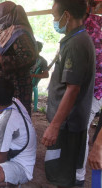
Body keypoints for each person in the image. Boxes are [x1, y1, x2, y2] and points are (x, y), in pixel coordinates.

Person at [42, 0, 95, 187]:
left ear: (67, 15)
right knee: (60, 171)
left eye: (55, 17)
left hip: (68, 124)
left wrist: (54, 126)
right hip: (66, 122)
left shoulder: (76, 44)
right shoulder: (75, 39)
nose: (54, 21)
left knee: (66, 174)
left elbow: (73, 90)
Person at [0, 1, 37, 117]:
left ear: (8, 16)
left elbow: (28, 57)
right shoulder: (10, 31)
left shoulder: (20, 33)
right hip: (6, 85)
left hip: (15, 88)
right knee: (1, 120)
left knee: (12, 119)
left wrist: (1, 61)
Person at [76, 4, 102, 185]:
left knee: (81, 130)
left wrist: (99, 144)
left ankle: (78, 175)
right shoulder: (92, 24)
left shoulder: (89, 27)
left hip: (93, 90)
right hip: (92, 90)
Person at [31, 41, 49, 112]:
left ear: (40, 50)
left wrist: (33, 75)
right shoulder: (26, 57)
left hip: (31, 83)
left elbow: (46, 75)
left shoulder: (42, 61)